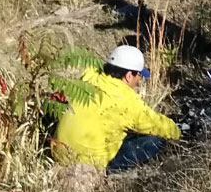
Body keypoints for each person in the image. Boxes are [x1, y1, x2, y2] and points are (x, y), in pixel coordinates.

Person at [55, 43, 181, 172]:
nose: (139, 80)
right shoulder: (126, 101)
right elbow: (157, 126)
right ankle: (112, 172)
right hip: (88, 162)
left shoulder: (89, 76)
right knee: (156, 141)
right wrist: (178, 131)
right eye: (139, 75)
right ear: (128, 76)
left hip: (58, 153)